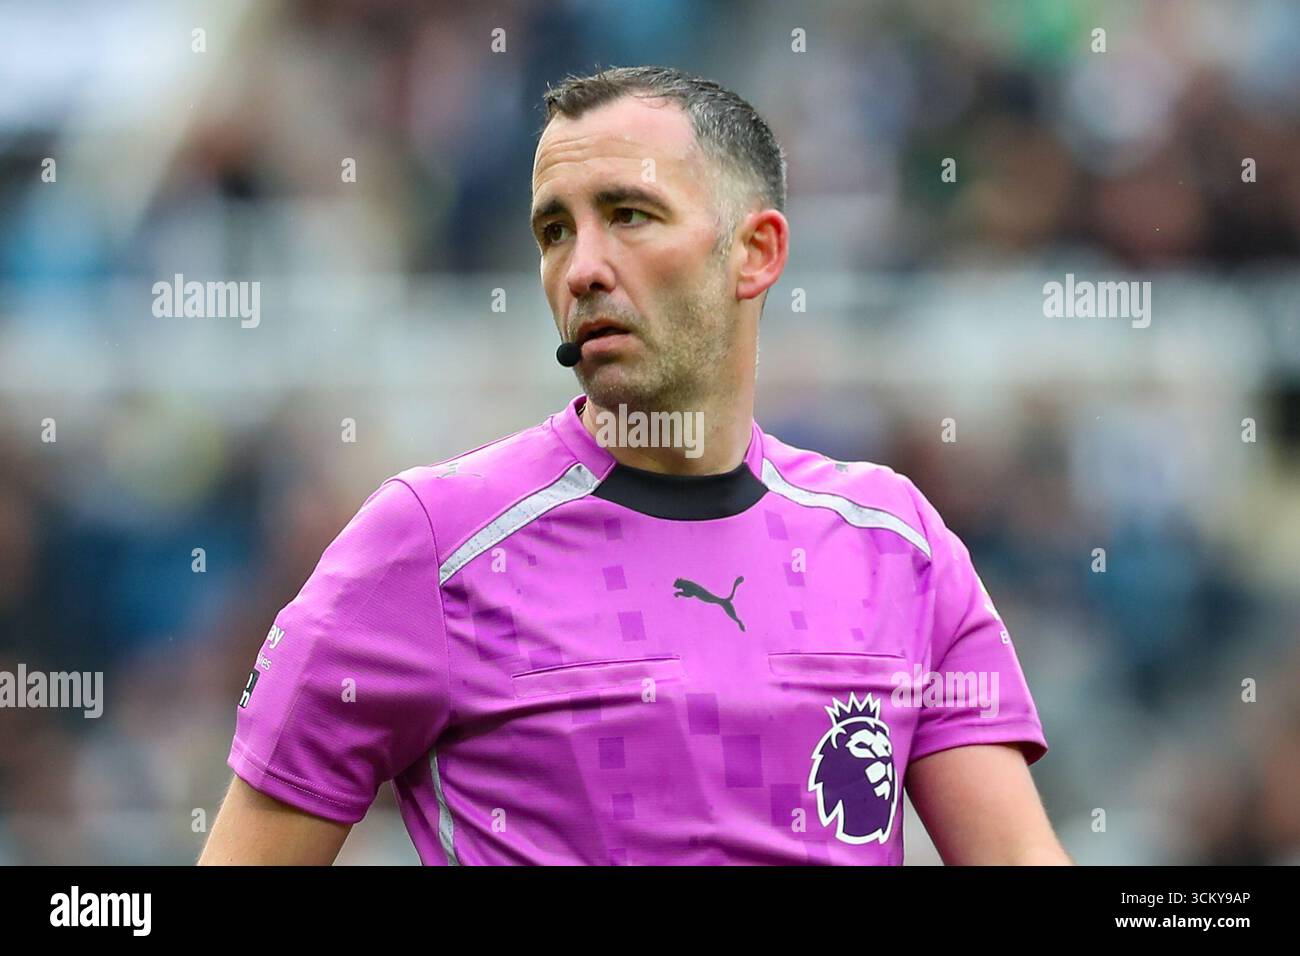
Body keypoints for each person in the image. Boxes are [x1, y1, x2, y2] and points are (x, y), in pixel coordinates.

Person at [200, 66, 1069, 865]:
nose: (580, 269)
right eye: (553, 230)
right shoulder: (425, 546)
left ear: (756, 252)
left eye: (628, 215)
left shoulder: (898, 546)